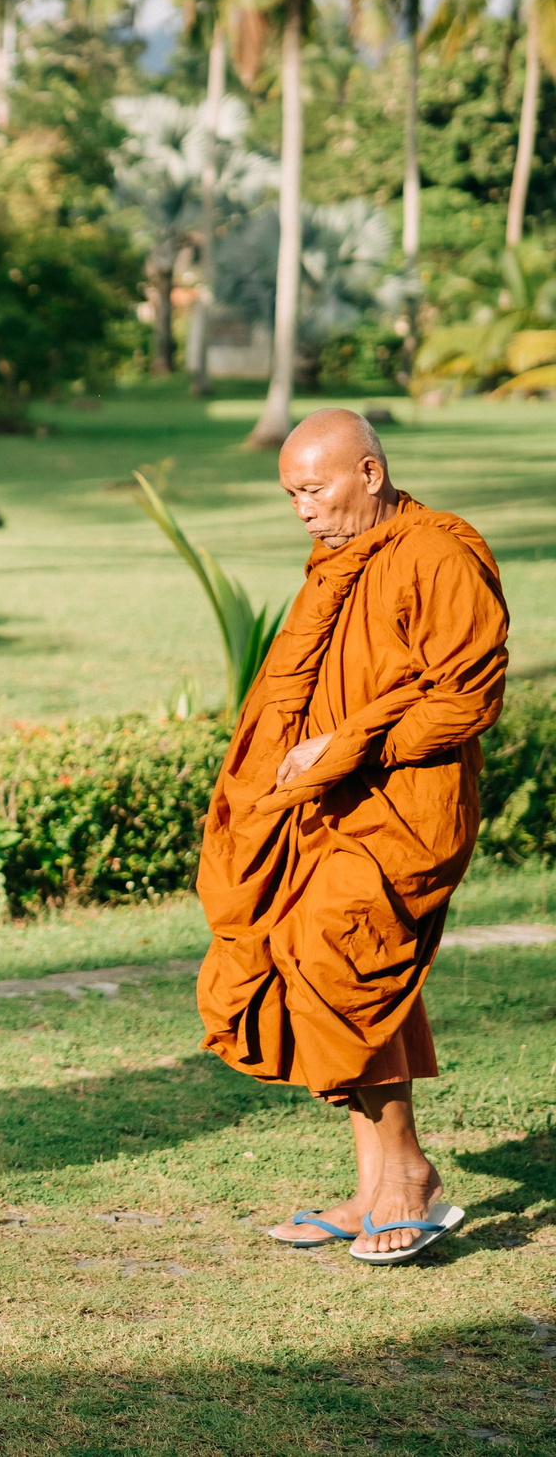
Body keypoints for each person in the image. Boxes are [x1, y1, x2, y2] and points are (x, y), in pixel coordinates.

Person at [197, 409, 506, 1264]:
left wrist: (350, 745)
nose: (302, 507)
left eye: (314, 486)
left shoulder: (440, 552)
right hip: (326, 801)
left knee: (345, 952)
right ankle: (376, 1185)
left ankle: (407, 1175)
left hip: (405, 800)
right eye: (291, 492)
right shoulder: (341, 553)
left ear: (369, 474)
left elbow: (467, 695)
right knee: (316, 952)